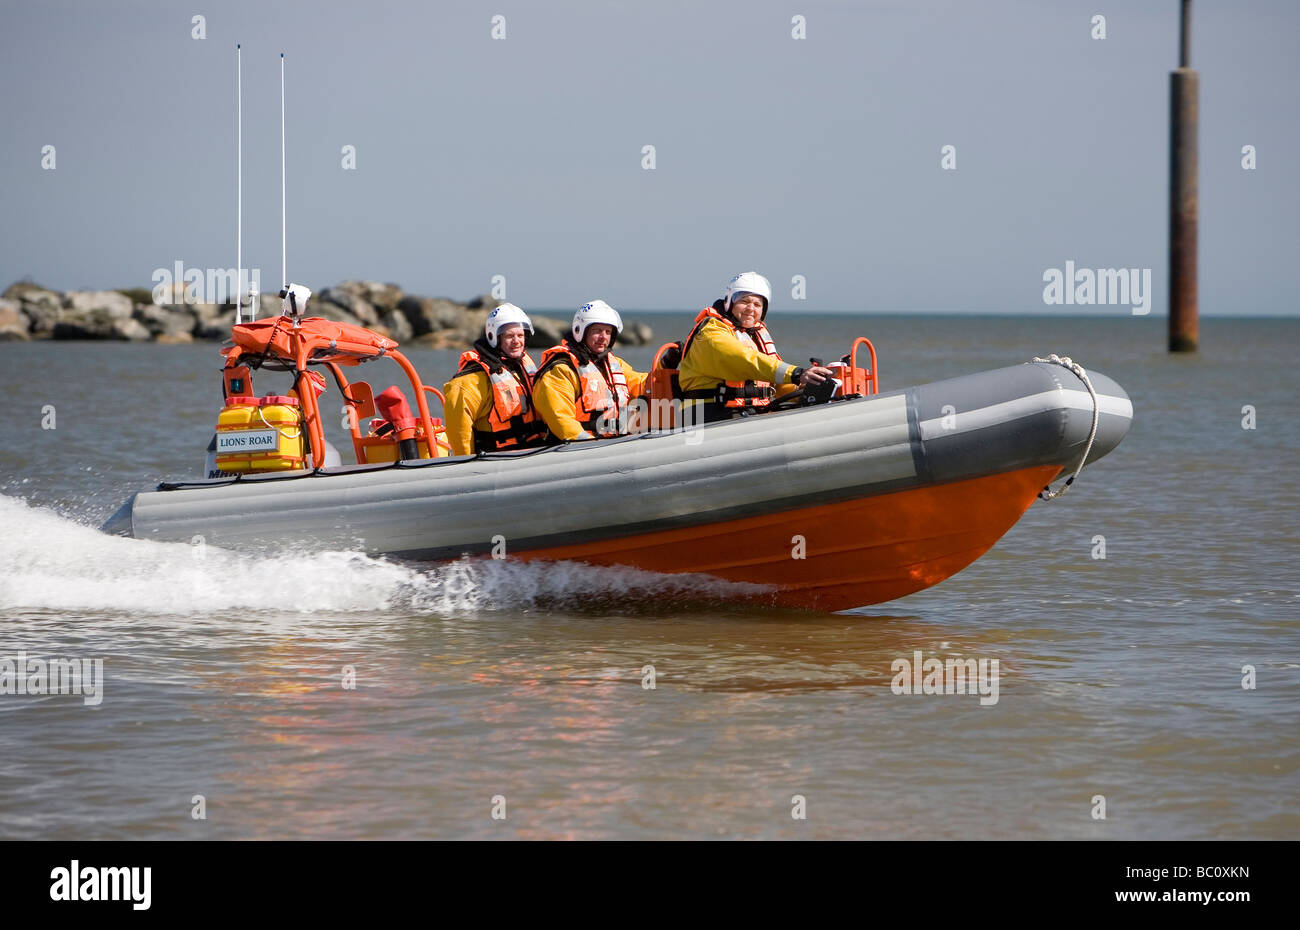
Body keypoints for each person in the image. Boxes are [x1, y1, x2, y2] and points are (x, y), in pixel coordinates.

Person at [676, 271, 833, 423]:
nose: (751, 308)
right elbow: (741, 359)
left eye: (758, 304)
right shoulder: (711, 331)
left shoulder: (756, 335)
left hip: (748, 412)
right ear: (730, 302)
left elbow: (775, 381)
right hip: (709, 413)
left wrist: (806, 386)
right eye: (744, 301)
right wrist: (796, 373)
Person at [532, 300, 649, 441]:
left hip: (614, 440)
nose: (603, 337)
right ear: (580, 331)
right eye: (597, 331)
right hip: (582, 447)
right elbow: (560, 418)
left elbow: (641, 383)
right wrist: (588, 442)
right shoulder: (561, 370)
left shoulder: (613, 364)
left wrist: (665, 366)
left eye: (608, 332)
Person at [442, 303, 548, 455]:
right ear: (494, 337)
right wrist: (465, 462)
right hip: (496, 457)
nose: (517, 341)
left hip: (533, 449)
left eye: (520, 335)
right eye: (510, 336)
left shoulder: (522, 366)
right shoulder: (473, 379)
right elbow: (459, 430)